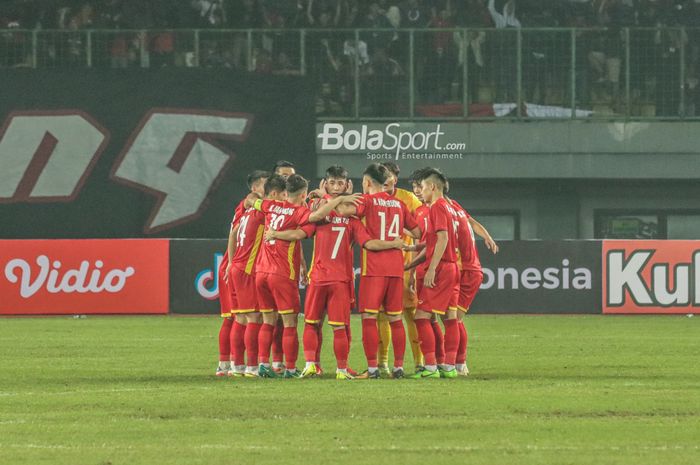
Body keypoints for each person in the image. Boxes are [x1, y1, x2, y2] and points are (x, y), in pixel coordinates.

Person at [268, 165, 405, 379]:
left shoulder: (316, 205)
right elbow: (366, 241)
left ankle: (328, 366)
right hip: (333, 277)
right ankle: (324, 366)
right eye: (332, 182)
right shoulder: (352, 213)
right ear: (326, 182)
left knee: (323, 324)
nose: (336, 186)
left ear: (346, 184)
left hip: (328, 276)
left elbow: (308, 226)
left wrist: (325, 197)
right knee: (326, 324)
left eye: (340, 182)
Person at [251, 174, 360, 377]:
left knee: (268, 321)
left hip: (261, 271)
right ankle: (291, 368)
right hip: (284, 273)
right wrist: (336, 198)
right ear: (303, 194)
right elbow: (305, 228)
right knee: (293, 323)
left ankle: (262, 365)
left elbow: (252, 200)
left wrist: (271, 229)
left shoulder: (271, 206)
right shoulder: (302, 211)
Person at [336, 163, 420, 379]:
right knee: (395, 318)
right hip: (396, 268)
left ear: (366, 182)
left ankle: (373, 368)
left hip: (373, 270)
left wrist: (342, 198)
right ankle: (399, 368)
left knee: (369, 318)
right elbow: (419, 231)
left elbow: (342, 211)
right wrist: (399, 238)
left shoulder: (366, 200)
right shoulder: (399, 204)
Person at [215, 170, 268, 376]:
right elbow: (249, 202)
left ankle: (229, 365)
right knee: (241, 318)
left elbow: (234, 232)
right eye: (266, 184)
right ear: (254, 188)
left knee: (239, 318)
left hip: (235, 265)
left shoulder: (250, 210)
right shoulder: (251, 204)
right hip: (238, 265)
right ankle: (237, 365)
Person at [409, 168, 461, 379]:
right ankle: (448, 367)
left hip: (441, 269)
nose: (420, 191)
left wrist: (431, 269)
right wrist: (413, 257)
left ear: (432, 187)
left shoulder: (437, 207)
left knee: (421, 317)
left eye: (422, 187)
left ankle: (430, 367)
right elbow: (434, 241)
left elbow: (443, 239)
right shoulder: (449, 207)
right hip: (452, 267)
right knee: (450, 317)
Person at [375, 162, 425, 374]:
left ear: (396, 178)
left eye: (390, 176)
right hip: (379, 266)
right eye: (382, 176)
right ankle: (382, 363)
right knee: (381, 315)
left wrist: (412, 271)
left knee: (410, 314)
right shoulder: (371, 198)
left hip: (404, 265)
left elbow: (420, 231)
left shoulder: (409, 199)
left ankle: (419, 362)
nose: (386, 180)